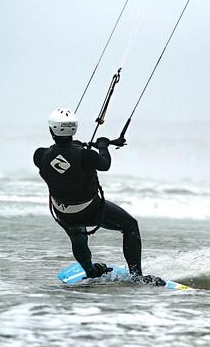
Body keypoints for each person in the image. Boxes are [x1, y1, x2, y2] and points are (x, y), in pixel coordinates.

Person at [34, 108, 163, 285]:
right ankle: (137, 276)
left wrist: (85, 146)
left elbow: (63, 155)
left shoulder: (40, 155)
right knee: (130, 226)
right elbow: (104, 163)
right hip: (90, 210)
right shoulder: (85, 155)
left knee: (77, 235)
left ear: (51, 130)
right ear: (74, 129)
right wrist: (103, 145)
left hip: (63, 212)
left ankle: (90, 270)